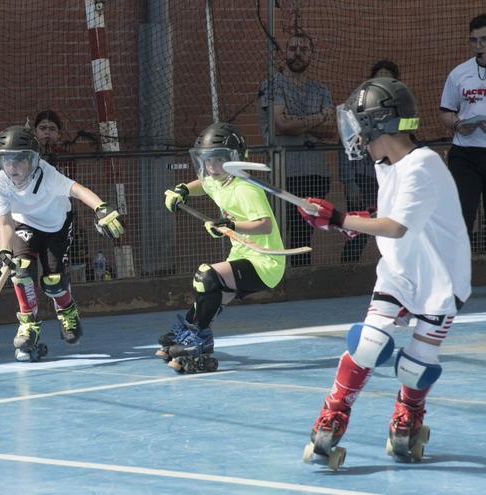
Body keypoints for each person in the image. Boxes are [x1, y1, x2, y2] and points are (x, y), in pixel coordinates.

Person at [299, 78, 470, 466]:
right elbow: (390, 216)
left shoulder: (422, 165)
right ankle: (333, 413)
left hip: (440, 279)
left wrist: (341, 217)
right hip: (399, 269)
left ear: (379, 124)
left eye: (359, 123)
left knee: (415, 366)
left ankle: (407, 419)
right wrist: (342, 223)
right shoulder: (386, 164)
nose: (354, 133)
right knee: (368, 343)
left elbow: (396, 226)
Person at [0, 125, 124, 362]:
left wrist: (101, 208)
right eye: (6, 161)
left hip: (56, 226)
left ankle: (67, 311)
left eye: (18, 161)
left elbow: (79, 190)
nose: (12, 168)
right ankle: (28, 325)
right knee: (20, 272)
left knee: (53, 282)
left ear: (32, 160)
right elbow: (5, 223)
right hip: (25, 225)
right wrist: (3, 251)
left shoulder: (47, 175)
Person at [159, 122, 286, 373]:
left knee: (206, 276)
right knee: (207, 297)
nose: (211, 167)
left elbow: (265, 226)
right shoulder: (217, 179)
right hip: (242, 255)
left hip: (265, 262)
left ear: (234, 159)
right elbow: (202, 183)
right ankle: (189, 331)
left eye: (217, 160)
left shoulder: (246, 188)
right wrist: (183, 190)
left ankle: (199, 339)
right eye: (206, 160)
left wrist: (230, 224)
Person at [258, 30, 334, 266]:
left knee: (304, 230)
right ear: (285, 53)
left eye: (303, 49)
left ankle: (302, 275)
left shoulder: (321, 90)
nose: (297, 54)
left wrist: (298, 123)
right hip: (284, 172)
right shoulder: (272, 85)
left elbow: (331, 130)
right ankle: (278, 277)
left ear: (311, 54)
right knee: (281, 226)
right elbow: (281, 125)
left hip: (315, 172)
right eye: (293, 49)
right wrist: (317, 118)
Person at [338, 60, 400, 262]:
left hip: (390, 178)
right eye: (378, 76)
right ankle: (347, 268)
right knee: (359, 230)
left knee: (391, 226)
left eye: (388, 78)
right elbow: (345, 147)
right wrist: (350, 183)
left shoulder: (400, 110)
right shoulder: (358, 108)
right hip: (363, 179)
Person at [439, 13, 486, 249]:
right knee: (462, 215)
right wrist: (458, 124)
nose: (479, 46)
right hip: (465, 153)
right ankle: (459, 275)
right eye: (474, 40)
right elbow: (445, 112)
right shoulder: (459, 74)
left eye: (484, 40)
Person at [30, 110, 90, 280]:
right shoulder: (27, 155)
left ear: (59, 134)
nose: (47, 132)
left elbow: (70, 187)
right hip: (32, 216)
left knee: (56, 270)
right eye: (42, 128)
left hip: (59, 215)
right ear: (35, 131)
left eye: (52, 129)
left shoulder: (64, 156)